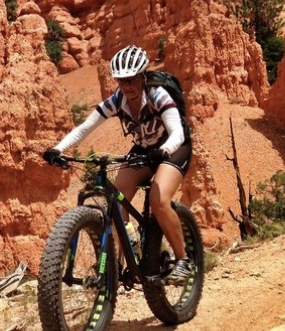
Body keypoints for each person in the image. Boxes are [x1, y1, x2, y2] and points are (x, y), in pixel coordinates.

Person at [42, 45, 193, 286]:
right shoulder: (117, 100)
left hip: (173, 148)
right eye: (121, 81)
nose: (127, 86)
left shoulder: (158, 95)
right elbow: (84, 128)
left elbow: (176, 132)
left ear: (142, 76)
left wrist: (163, 151)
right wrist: (58, 149)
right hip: (144, 150)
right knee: (117, 202)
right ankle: (114, 267)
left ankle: (183, 261)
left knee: (158, 199)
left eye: (132, 80)